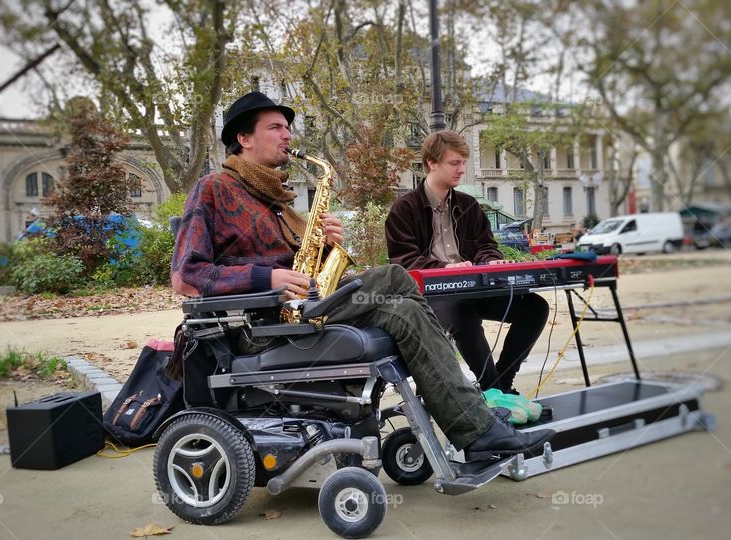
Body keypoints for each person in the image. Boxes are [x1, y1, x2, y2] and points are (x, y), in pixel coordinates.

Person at [171, 92, 553, 460]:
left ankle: (477, 432)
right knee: (396, 277)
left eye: (287, 127)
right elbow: (186, 276)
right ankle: (480, 410)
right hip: (264, 325)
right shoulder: (213, 190)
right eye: (275, 127)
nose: (288, 135)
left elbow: (304, 270)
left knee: (406, 311)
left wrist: (323, 247)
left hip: (309, 307)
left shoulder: (276, 200)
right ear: (243, 138)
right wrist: (265, 279)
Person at [385, 130, 550, 396]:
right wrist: (444, 269)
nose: (462, 170)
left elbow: (486, 245)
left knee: (535, 307)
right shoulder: (404, 209)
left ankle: (502, 385)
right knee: (462, 314)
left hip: (472, 288)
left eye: (464, 163)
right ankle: (492, 389)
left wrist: (492, 262)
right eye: (454, 163)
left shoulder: (469, 205)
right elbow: (404, 260)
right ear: (432, 163)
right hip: (430, 296)